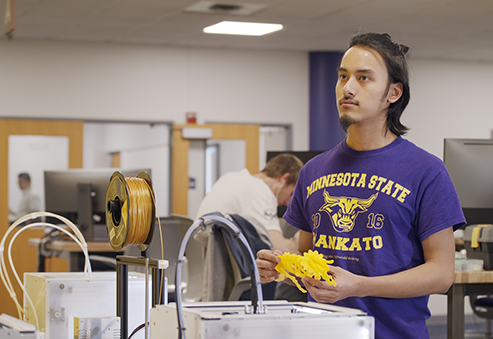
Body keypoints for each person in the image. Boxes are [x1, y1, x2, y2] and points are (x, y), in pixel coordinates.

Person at [255, 32, 466, 338]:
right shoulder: (313, 171)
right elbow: (308, 263)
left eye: (364, 78)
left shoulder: (426, 171)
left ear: (393, 93)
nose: (348, 88)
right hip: (322, 331)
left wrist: (360, 285)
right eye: (343, 77)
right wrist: (282, 269)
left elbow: (442, 274)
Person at [195, 153, 304, 254]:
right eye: (291, 193)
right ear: (284, 179)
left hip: (201, 265)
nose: (288, 202)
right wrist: (298, 241)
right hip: (222, 269)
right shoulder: (260, 191)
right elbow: (280, 250)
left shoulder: (230, 177)